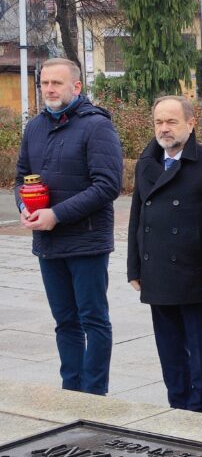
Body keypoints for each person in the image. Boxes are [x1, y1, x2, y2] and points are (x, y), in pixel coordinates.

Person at [15, 58, 122, 395]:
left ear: (77, 87)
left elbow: (107, 186)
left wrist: (56, 215)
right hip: (48, 243)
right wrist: (25, 207)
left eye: (57, 83)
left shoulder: (97, 126)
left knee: (93, 320)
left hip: (87, 241)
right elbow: (21, 177)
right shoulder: (34, 127)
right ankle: (71, 392)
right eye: (45, 83)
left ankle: (93, 395)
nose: (49, 89)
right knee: (65, 322)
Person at [127, 96, 202, 413]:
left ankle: (199, 411)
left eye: (171, 121)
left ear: (191, 123)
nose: (164, 128)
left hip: (196, 276)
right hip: (158, 274)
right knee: (170, 350)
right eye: (159, 122)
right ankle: (177, 406)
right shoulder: (146, 164)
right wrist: (135, 266)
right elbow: (138, 218)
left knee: (201, 353)